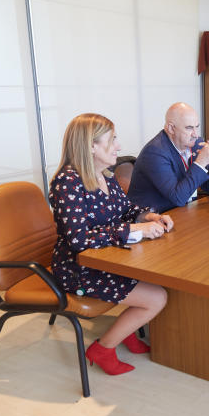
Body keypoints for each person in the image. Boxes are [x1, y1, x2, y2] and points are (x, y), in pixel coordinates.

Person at [49, 113, 171, 376]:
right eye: (112, 139)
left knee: (163, 278)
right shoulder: (67, 183)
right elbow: (78, 240)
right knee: (157, 298)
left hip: (109, 256)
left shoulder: (105, 175)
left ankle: (124, 330)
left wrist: (148, 216)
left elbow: (125, 210)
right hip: (78, 268)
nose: (118, 145)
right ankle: (102, 349)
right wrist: (132, 230)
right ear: (91, 146)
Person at [128, 102, 209, 212]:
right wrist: (201, 163)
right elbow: (178, 198)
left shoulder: (196, 144)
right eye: (189, 128)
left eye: (197, 127)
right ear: (171, 128)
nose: (195, 134)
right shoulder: (155, 152)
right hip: (154, 218)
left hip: (184, 212)